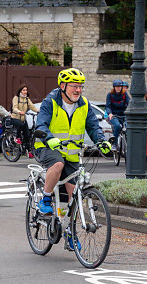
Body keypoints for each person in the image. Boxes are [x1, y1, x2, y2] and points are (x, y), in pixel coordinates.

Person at [34, 68, 111, 227]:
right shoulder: (51, 102)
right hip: (48, 148)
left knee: (74, 192)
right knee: (58, 164)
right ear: (62, 86)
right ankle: (46, 198)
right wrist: (49, 138)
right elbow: (41, 124)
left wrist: (101, 140)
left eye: (81, 86)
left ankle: (71, 230)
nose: (78, 90)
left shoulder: (84, 104)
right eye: (74, 86)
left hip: (72, 153)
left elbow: (93, 127)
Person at [11, 84, 39, 158]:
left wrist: (38, 111)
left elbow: (32, 106)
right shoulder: (16, 98)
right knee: (20, 125)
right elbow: (14, 108)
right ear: (20, 91)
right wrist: (19, 112)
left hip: (23, 119)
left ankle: (28, 151)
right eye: (23, 90)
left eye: (26, 90)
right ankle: (16, 137)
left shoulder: (26, 99)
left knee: (27, 135)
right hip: (15, 118)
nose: (25, 91)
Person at [106, 79, 130, 151]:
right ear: (114, 87)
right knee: (117, 126)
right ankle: (114, 144)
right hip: (114, 115)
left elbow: (129, 104)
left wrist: (129, 113)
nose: (118, 88)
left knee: (128, 127)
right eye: (116, 87)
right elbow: (108, 106)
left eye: (119, 86)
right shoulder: (110, 95)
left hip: (124, 114)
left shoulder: (125, 94)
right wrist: (110, 113)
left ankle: (129, 144)